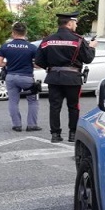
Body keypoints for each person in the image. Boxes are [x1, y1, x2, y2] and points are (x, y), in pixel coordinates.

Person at [34, 11, 97, 143]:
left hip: (54, 78)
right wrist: (91, 47)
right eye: (75, 23)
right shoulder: (78, 40)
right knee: (73, 107)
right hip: (73, 78)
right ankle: (72, 134)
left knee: (54, 107)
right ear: (69, 23)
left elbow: (39, 61)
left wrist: (52, 68)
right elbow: (88, 58)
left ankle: (55, 135)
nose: (76, 25)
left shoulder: (47, 40)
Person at [0, 22, 41, 132]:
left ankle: (17, 125)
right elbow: (38, 64)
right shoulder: (32, 47)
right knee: (33, 101)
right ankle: (32, 125)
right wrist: (30, 64)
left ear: (13, 33)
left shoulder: (5, 46)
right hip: (26, 77)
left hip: (10, 77)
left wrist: (9, 64)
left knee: (13, 101)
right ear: (25, 33)